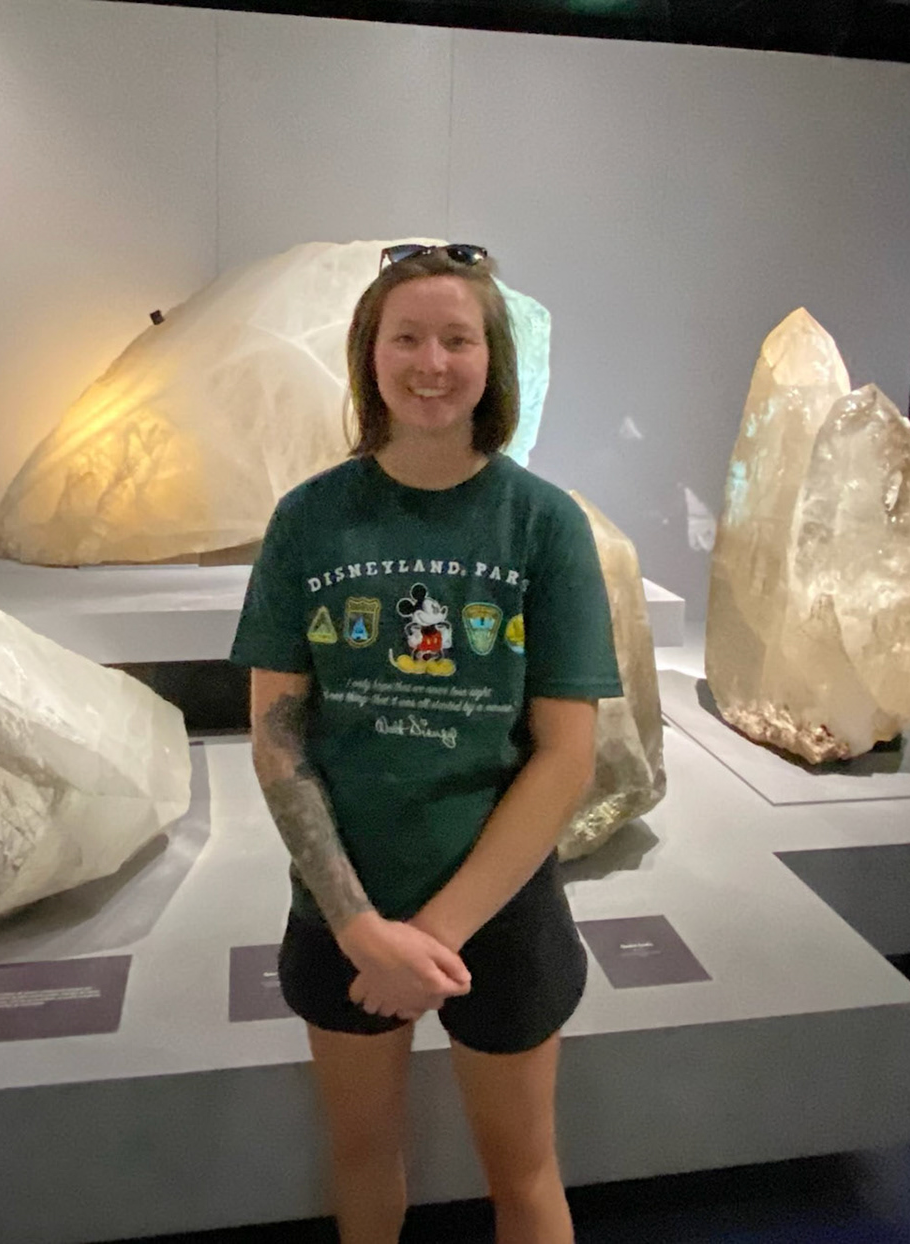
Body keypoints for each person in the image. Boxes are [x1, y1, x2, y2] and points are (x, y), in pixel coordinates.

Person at [229, 244, 623, 1244]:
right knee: (362, 1155)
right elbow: (278, 739)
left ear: (494, 360)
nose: (432, 363)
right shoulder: (308, 520)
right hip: (346, 908)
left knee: (524, 1171)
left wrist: (430, 938)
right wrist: (363, 929)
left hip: (500, 906)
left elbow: (566, 755)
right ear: (370, 354)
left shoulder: (545, 525)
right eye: (407, 337)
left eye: (458, 339)